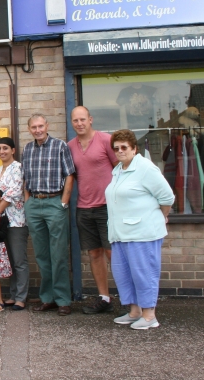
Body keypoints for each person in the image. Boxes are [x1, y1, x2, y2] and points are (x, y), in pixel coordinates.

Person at [106, 129, 174, 330]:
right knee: (124, 274)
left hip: (142, 233)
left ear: (134, 148)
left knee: (143, 273)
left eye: (124, 147)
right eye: (116, 148)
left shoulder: (145, 167)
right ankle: (134, 311)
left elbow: (167, 197)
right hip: (120, 233)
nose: (120, 151)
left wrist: (161, 216)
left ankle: (149, 315)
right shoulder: (118, 169)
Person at [23, 114, 76, 316]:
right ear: (29, 129)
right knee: (42, 254)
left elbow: (69, 175)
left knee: (58, 253)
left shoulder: (60, 146)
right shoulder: (27, 149)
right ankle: (48, 298)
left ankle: (63, 300)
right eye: (34, 127)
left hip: (55, 202)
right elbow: (25, 178)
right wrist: (28, 202)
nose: (37, 130)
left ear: (47, 126)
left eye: (40, 126)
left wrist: (64, 202)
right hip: (34, 204)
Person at [67, 106, 118, 314]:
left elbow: (121, 169)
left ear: (90, 120)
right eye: (75, 121)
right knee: (94, 253)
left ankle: (129, 299)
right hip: (84, 207)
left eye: (82, 119)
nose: (79, 124)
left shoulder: (106, 140)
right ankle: (104, 298)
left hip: (107, 207)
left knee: (112, 252)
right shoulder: (70, 146)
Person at [0, 137, 28, 311]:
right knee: (8, 260)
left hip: (16, 221)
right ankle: (13, 294)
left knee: (19, 260)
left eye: (5, 148)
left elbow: (12, 193)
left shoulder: (18, 168)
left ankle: (21, 298)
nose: (2, 151)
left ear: (13, 150)